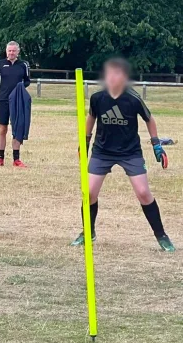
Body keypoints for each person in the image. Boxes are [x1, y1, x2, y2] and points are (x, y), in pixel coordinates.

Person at [71, 57, 174, 252]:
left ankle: (161, 235)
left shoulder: (133, 98)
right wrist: (84, 142)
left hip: (130, 152)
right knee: (89, 193)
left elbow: (149, 119)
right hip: (102, 151)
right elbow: (91, 117)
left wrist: (156, 144)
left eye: (117, 74)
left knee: (143, 193)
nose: (112, 78)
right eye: (109, 74)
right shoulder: (97, 98)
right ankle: (88, 232)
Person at [0, 41, 31, 167]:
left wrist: (20, 86)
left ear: (18, 51)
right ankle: (0, 158)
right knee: (2, 129)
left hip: (17, 101)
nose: (11, 53)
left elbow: (27, 81)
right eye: (9, 51)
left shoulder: (24, 65)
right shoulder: (0, 64)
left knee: (17, 129)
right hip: (3, 100)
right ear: (6, 51)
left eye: (14, 51)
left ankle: (16, 159)